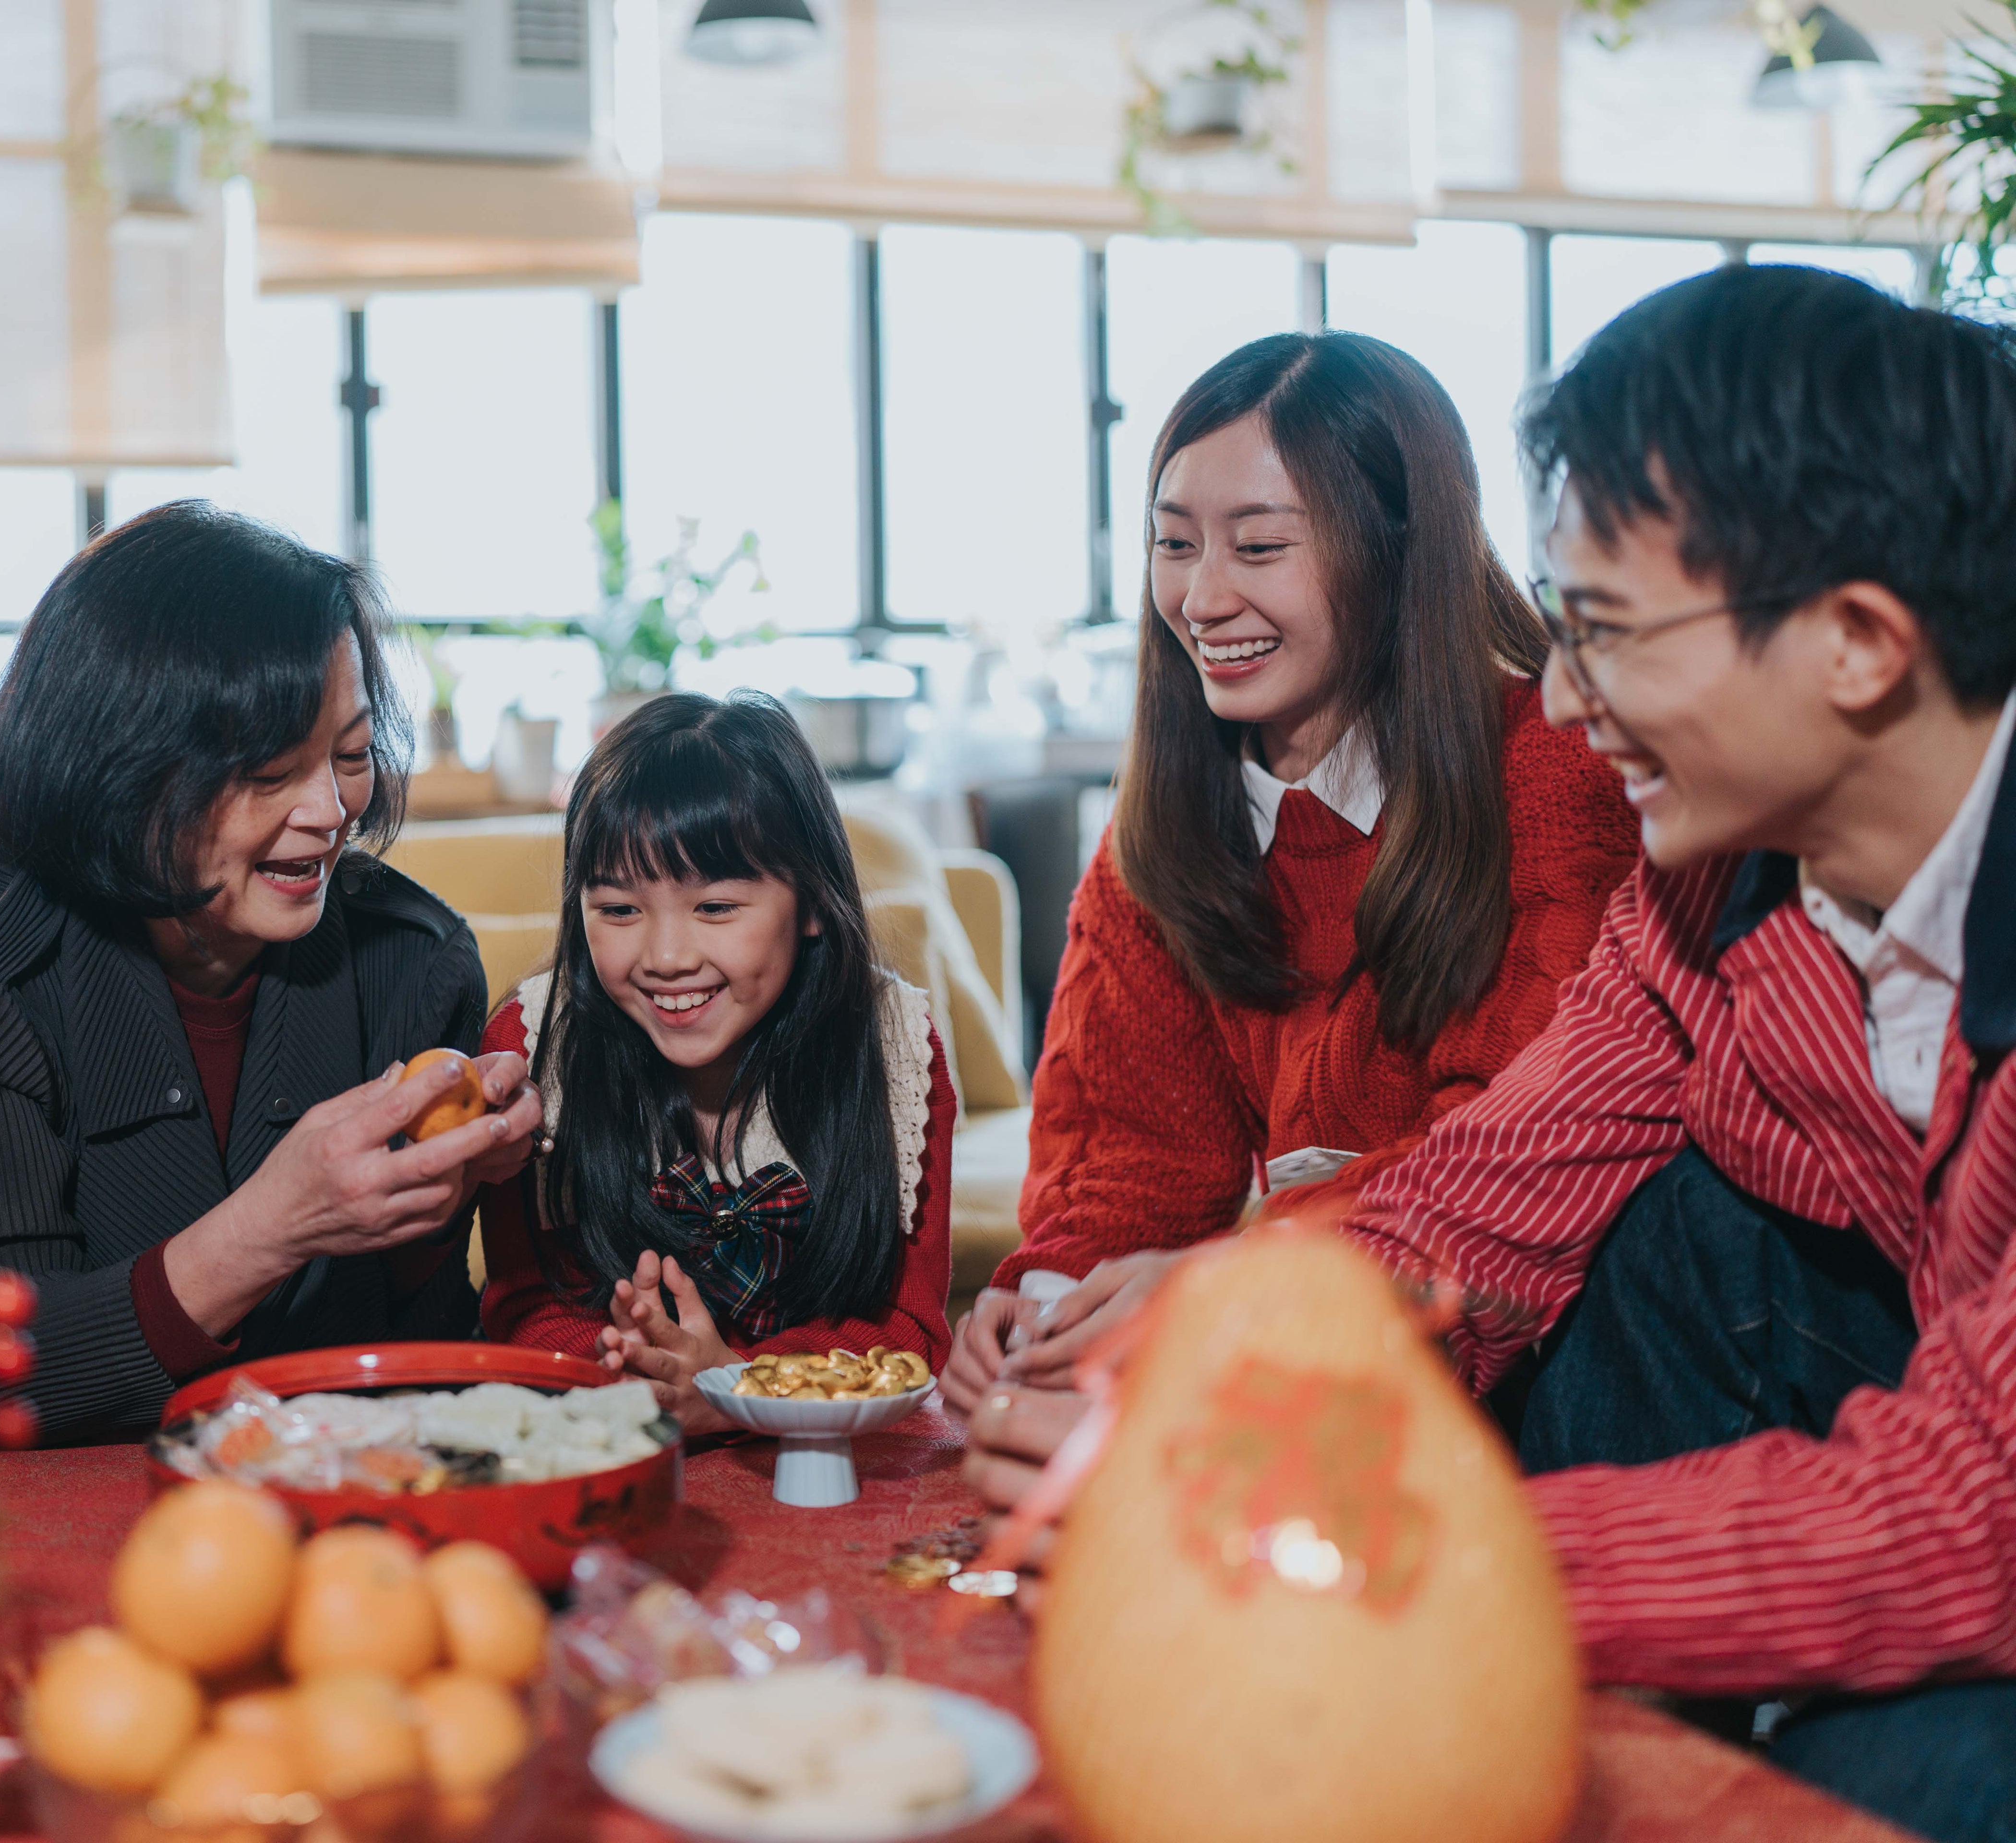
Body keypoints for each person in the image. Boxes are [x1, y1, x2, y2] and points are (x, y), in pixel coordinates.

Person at [965, 264, 2016, 1843]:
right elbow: (1484, 1197)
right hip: (1898, 1441)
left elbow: (1965, 1514)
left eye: (1603, 635)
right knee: (1672, 1228)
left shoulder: (1579, 810)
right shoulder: (1712, 891)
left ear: (1857, 641)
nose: (1569, 704)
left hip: (1965, 1509)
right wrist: (1225, 1388)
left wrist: (1401, 1565)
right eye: (1181, 543)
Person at [941, 331, 1637, 1414]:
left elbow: (1514, 1153)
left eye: (1258, 549)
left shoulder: (1554, 769)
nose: (1202, 600)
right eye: (1174, 546)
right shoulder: (1163, 833)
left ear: (1400, 551)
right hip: (1283, 1355)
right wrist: (1050, 1303)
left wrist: (1228, 1288)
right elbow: (1131, 1165)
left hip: (1532, 1376)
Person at [0, 502, 539, 1442]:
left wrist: (441, 1205)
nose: (332, 812)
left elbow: (420, 1370)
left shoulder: (414, 957)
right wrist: (270, 1229)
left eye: (352, 756)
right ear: (119, 761)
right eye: (272, 771)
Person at [476, 693, 955, 1433]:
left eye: (717, 908)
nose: (668, 959)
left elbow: (907, 1326)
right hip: (607, 1443)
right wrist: (642, 1372)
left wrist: (737, 1387)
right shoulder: (534, 1047)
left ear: (813, 903)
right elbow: (521, 1305)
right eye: (620, 910)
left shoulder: (893, 1046)